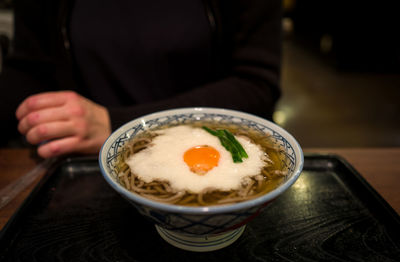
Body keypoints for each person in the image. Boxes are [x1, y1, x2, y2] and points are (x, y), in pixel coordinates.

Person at [0, 0, 283, 158]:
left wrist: (119, 125)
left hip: (211, 155)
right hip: (80, 166)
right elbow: (32, 68)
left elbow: (256, 88)